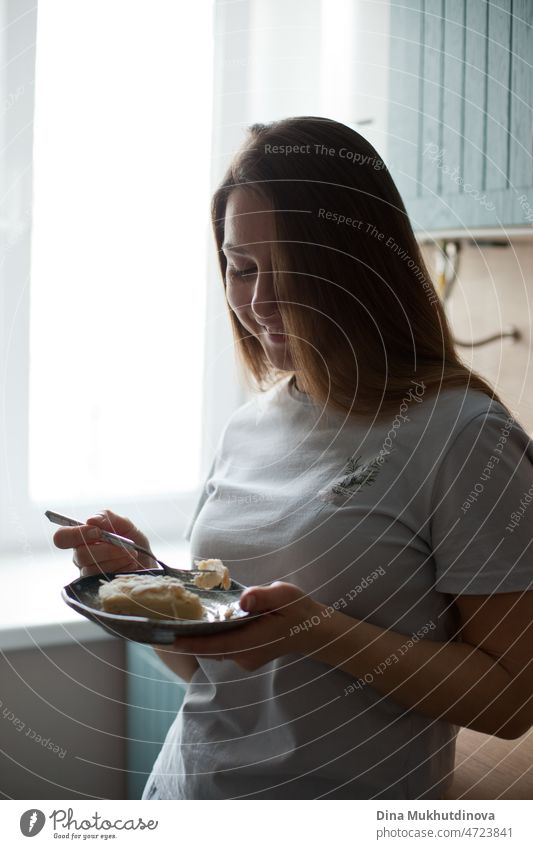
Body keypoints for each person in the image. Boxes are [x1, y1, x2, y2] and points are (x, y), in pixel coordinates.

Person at [54, 117, 533, 800]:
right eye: (240, 268)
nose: (257, 301)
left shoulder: (463, 436)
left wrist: (317, 630)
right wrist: (145, 582)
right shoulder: (250, 426)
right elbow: (215, 673)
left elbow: (512, 702)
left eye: (293, 270)